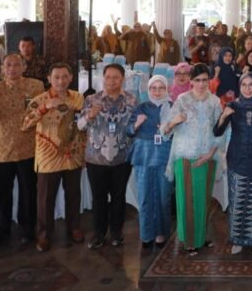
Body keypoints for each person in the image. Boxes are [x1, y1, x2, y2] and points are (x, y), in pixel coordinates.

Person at [0, 54, 44, 246]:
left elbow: (42, 113)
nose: (12, 68)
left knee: (29, 193)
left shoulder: (36, 86)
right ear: (2, 68)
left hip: (27, 149)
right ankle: (2, 229)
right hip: (0, 150)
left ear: (24, 67)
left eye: (16, 64)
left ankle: (28, 229)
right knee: (1, 194)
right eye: (8, 65)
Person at [21, 62, 86, 252]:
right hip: (48, 156)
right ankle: (44, 235)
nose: (61, 81)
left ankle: (74, 227)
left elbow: (83, 126)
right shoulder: (39, 99)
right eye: (56, 77)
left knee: (74, 195)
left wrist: (84, 150)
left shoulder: (78, 98)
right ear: (49, 79)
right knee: (45, 199)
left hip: (72, 154)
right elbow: (24, 125)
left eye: (65, 77)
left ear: (71, 78)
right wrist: (44, 108)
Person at [162, 63, 224, 256]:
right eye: (197, 80)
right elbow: (165, 130)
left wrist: (210, 154)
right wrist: (174, 121)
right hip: (185, 156)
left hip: (208, 156)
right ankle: (190, 240)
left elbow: (220, 130)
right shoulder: (181, 100)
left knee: (203, 199)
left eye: (205, 79)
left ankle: (200, 236)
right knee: (187, 199)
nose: (201, 83)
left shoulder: (214, 101)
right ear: (191, 81)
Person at [214, 72, 252, 254]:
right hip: (237, 159)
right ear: (239, 87)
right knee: (238, 200)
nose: (248, 89)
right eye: (244, 85)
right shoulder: (233, 106)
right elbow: (217, 132)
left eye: (251, 85)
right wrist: (224, 116)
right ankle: (237, 240)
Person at [78, 63, 137, 249]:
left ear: (123, 79)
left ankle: (117, 232)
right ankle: (99, 233)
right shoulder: (91, 99)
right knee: (99, 197)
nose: (111, 81)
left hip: (122, 157)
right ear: (102, 78)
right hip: (96, 158)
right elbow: (79, 126)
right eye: (108, 77)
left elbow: (136, 127)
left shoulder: (132, 100)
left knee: (118, 196)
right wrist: (89, 116)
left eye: (116, 77)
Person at [127, 75, 173, 249]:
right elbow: (129, 131)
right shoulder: (142, 107)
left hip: (164, 156)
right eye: (154, 88)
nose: (157, 91)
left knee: (163, 196)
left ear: (167, 89)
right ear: (148, 90)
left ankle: (161, 233)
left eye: (161, 88)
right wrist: (137, 125)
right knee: (145, 196)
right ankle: (146, 234)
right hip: (144, 156)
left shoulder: (172, 107)